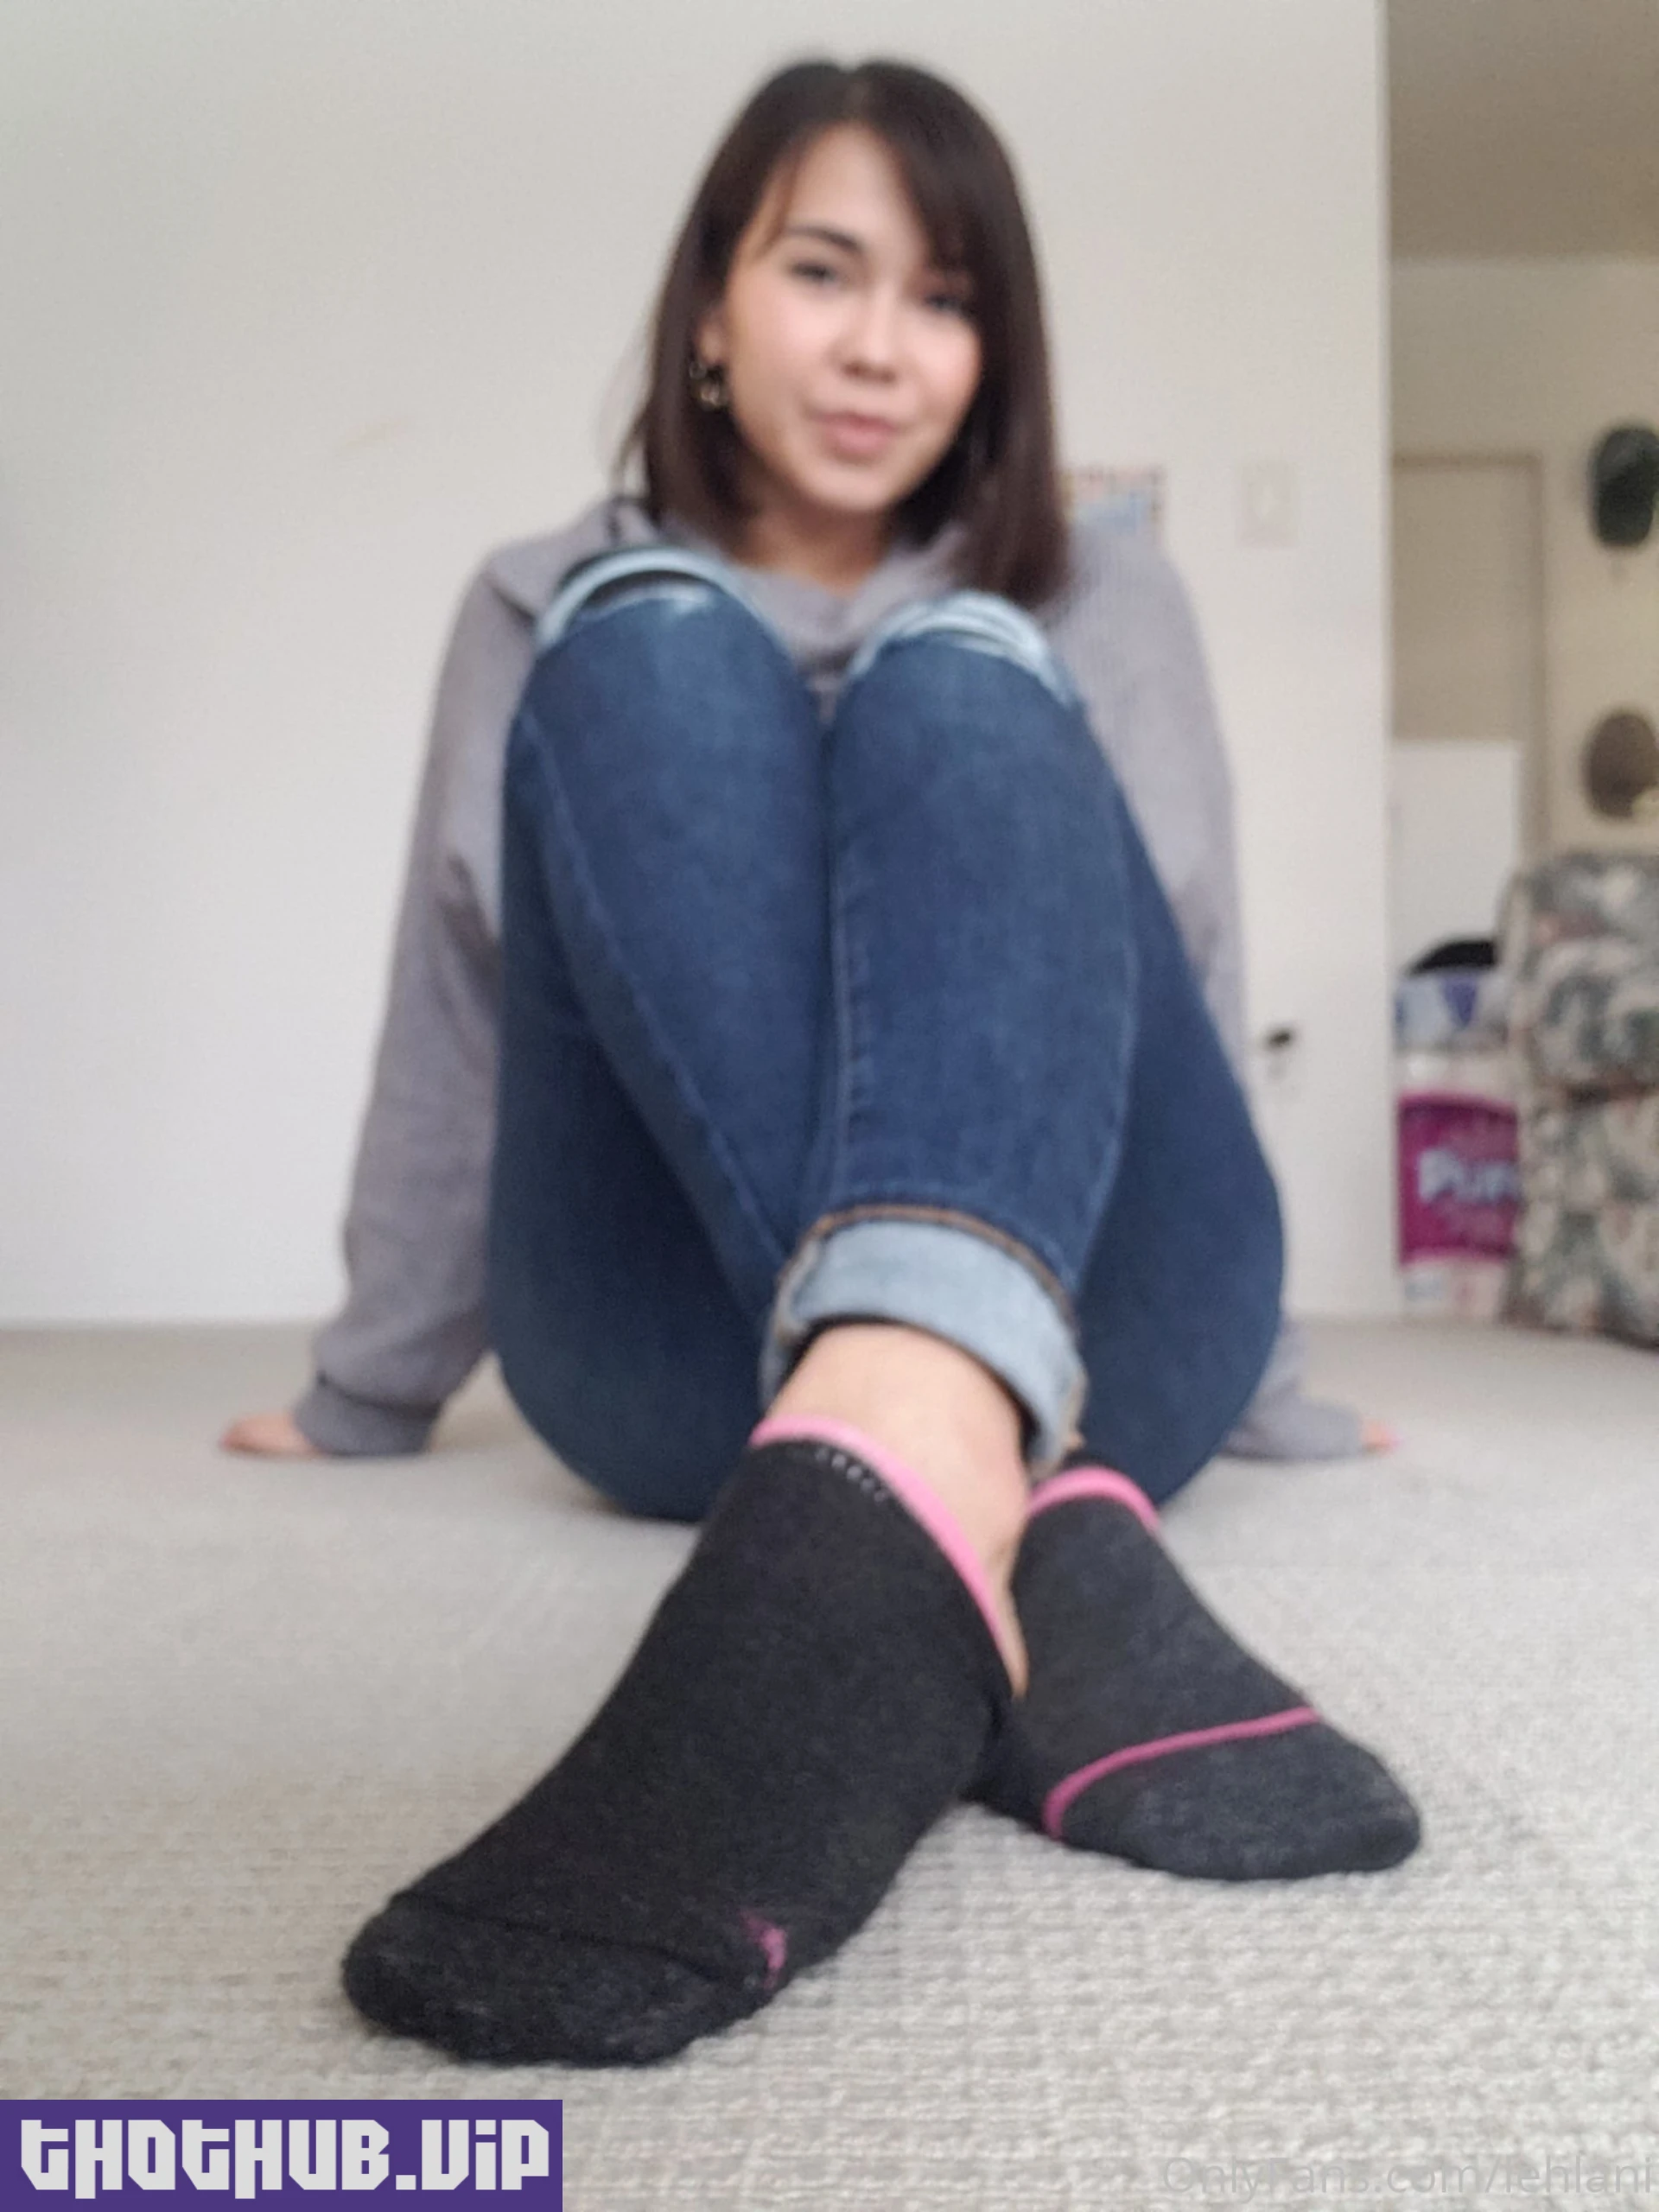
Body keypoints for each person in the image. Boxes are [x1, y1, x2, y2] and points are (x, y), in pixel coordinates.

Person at [225, 59, 1419, 2067]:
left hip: (1111, 1315)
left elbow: (1181, 972)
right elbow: (463, 1000)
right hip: (678, 1348)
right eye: (822, 270)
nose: (881, 348)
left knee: (963, 677)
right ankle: (1004, 1494)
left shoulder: (1101, 591)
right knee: (646, 635)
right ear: (711, 299)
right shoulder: (535, 602)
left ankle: (908, 1460)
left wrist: (1273, 1379)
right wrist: (371, 1383)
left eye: (945, 298)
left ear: (995, 348)